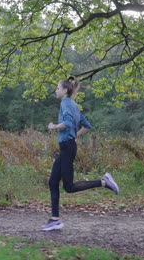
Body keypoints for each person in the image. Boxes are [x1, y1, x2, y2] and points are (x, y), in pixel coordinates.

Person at [41, 76, 119, 231]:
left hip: (67, 147)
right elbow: (87, 126)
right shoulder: (74, 105)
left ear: (64, 90)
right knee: (53, 182)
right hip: (68, 146)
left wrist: (54, 126)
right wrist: (73, 136)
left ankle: (104, 182)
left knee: (69, 187)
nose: (56, 90)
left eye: (57, 88)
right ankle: (55, 219)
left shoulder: (65, 103)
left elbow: (68, 124)